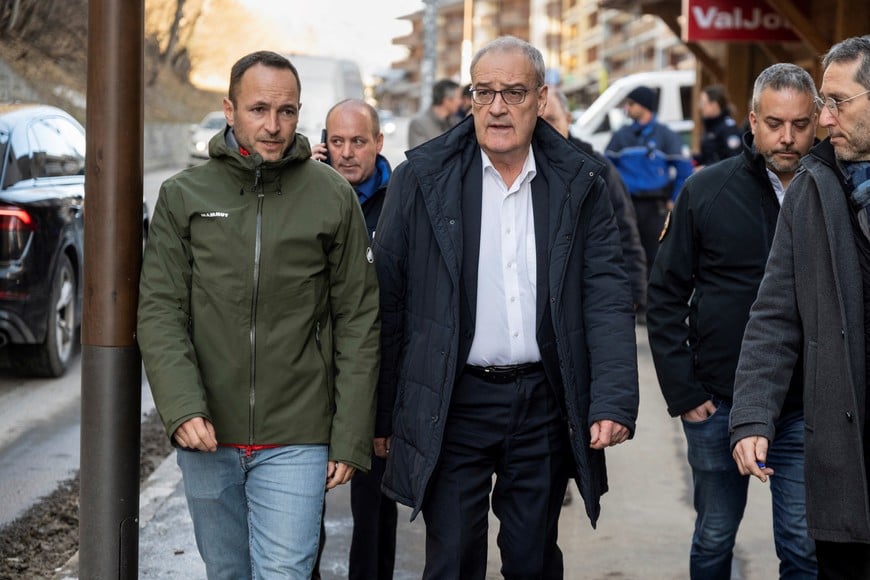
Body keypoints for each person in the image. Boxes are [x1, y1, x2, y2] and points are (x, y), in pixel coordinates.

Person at [373, 36, 639, 578]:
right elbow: (388, 302)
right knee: (450, 560)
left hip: (542, 400)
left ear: (542, 99)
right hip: (451, 402)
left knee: (532, 558)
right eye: (484, 92)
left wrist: (612, 399)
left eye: (514, 92)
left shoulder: (580, 183)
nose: (498, 107)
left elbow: (607, 296)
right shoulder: (420, 181)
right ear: (469, 99)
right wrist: (382, 415)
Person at [137, 51, 380, 580]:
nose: (273, 125)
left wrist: (350, 432)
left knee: (286, 572)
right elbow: (159, 311)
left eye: (287, 111)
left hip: (299, 435)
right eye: (259, 109)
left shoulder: (332, 196)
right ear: (230, 110)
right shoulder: (184, 196)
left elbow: (359, 320)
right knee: (227, 572)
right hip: (207, 432)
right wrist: (181, 409)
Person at [647, 63, 819, 580]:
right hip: (717, 402)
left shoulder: (831, 192)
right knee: (715, 536)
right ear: (751, 120)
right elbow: (664, 294)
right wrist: (685, 391)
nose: (786, 137)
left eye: (799, 124)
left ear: (818, 121)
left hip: (802, 407)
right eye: (773, 123)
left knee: (803, 545)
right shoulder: (706, 190)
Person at [730, 36, 870, 579]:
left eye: (838, 102)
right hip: (844, 443)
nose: (826, 119)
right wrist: (751, 416)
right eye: (823, 105)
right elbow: (775, 315)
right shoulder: (814, 185)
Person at [310, 99, 398, 580]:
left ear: (378, 143)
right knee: (304, 510)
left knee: (375, 511)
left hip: (377, 372)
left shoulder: (402, 197)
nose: (346, 153)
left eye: (358, 141)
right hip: (313, 373)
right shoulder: (306, 189)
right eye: (337, 141)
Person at [542, 88, 647, 318]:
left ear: (568, 120)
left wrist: (634, 292)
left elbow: (625, 230)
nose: (545, 129)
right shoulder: (517, 168)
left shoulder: (596, 169)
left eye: (552, 119)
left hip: (587, 299)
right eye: (538, 121)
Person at [605, 85, 693, 272]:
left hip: (655, 207)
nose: (627, 108)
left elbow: (684, 169)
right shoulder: (621, 136)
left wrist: (674, 199)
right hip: (626, 204)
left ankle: (652, 298)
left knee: (655, 255)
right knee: (625, 253)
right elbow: (606, 169)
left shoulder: (666, 135)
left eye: (631, 103)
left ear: (644, 106)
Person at [694, 84, 743, 168]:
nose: (700, 107)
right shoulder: (711, 126)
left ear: (714, 105)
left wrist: (705, 168)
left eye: (703, 103)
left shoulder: (728, 128)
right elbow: (708, 155)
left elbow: (733, 160)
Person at [407, 78, 462, 147]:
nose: (461, 102)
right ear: (447, 100)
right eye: (459, 98)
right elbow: (419, 156)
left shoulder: (457, 122)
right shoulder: (418, 124)